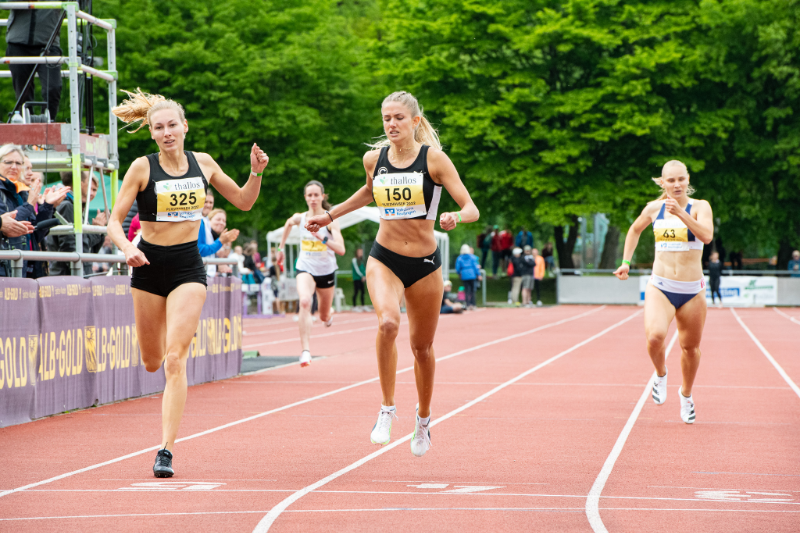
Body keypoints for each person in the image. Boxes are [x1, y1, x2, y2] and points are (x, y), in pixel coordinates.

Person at [303, 91, 478, 457]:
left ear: (415, 121)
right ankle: (386, 408)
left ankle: (424, 420)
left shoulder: (435, 161)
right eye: (386, 119)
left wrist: (454, 217)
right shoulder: (374, 158)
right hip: (384, 258)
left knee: (422, 348)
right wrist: (331, 215)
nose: (391, 125)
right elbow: (368, 192)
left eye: (399, 118)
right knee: (387, 324)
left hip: (425, 263)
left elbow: (471, 208)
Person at [106, 89, 268, 477]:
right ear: (151, 133)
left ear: (185, 126)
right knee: (150, 362)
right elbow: (114, 221)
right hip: (146, 264)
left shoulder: (204, 164)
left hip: (187, 268)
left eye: (172, 125)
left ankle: (165, 450)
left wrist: (256, 171)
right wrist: (128, 247)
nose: (167, 133)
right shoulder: (142, 168)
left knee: (175, 359)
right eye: (159, 127)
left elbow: (244, 201)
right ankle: (159, 375)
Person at [614, 160, 713, 425]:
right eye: (671, 180)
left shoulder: (700, 206)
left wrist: (681, 214)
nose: (677, 184)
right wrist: (625, 262)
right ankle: (660, 374)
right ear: (662, 182)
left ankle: (686, 394)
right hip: (661, 286)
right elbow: (634, 230)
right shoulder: (653, 209)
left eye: (681, 179)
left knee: (690, 348)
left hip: (692, 291)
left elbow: (706, 236)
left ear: (688, 179)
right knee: (655, 337)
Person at [277, 180, 345, 367]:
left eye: (316, 195)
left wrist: (322, 237)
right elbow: (289, 223)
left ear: (323, 197)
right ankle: (305, 351)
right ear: (305, 197)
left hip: (326, 271)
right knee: (305, 301)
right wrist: (281, 248)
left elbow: (341, 249)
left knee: (323, 316)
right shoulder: (301, 218)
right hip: (305, 267)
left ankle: (328, 315)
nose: (313, 198)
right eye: (309, 195)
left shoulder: (330, 220)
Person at [0, 144, 66, 277]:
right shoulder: (21, 194)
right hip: (6, 265)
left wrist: (48, 206)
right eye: (9, 162)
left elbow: (35, 233)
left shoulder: (22, 192)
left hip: (23, 265)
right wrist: (30, 204)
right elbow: (10, 226)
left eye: (18, 163)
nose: (14, 167)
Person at [5, 6, 63, 121]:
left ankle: (48, 123)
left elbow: (79, 5)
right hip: (18, 43)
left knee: (53, 87)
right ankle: (26, 124)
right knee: (22, 91)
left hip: (49, 44)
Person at [46, 171, 106, 277]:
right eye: (89, 188)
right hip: (68, 277)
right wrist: (80, 275)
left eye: (94, 190)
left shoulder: (78, 209)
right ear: (80, 183)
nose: (92, 193)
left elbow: (88, 250)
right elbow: (69, 246)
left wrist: (98, 230)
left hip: (75, 274)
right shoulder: (68, 206)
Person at [455, 243, 480, 309]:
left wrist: (459, 273)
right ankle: (473, 304)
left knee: (466, 290)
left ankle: (468, 304)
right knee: (473, 290)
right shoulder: (472, 257)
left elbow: (457, 268)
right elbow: (475, 266)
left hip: (464, 274)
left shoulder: (459, 258)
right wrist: (478, 274)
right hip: (472, 274)